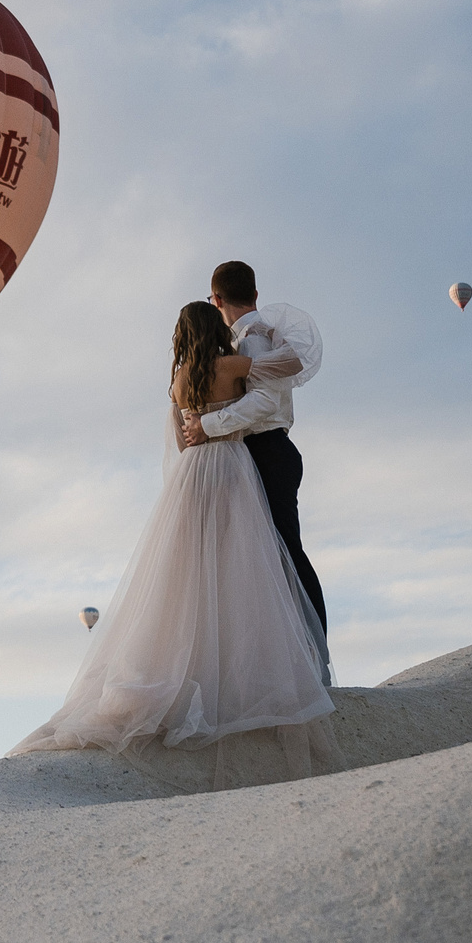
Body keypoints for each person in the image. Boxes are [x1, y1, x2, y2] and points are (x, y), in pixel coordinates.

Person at [13, 300, 335, 759]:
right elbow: (284, 368)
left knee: (189, 574)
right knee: (245, 562)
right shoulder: (235, 363)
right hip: (230, 464)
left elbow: (176, 441)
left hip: (191, 476)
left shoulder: (178, 382)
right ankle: (260, 670)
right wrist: (271, 335)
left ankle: (188, 668)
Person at [176, 260, 328, 675]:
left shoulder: (254, 342)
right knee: (262, 559)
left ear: (217, 299)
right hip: (251, 453)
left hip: (266, 450)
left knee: (286, 555)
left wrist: (207, 425)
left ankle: (315, 659)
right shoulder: (243, 343)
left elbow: (263, 402)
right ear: (256, 294)